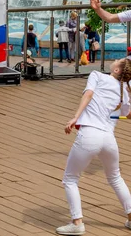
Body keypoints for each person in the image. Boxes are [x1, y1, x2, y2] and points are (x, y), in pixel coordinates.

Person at [56, 59, 131, 235]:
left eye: (117, 61)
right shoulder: (124, 93)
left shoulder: (96, 75)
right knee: (115, 178)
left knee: (70, 179)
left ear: (117, 69)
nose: (114, 61)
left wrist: (75, 117)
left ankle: (77, 223)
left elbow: (88, 95)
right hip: (109, 140)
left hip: (90, 134)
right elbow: (128, 115)